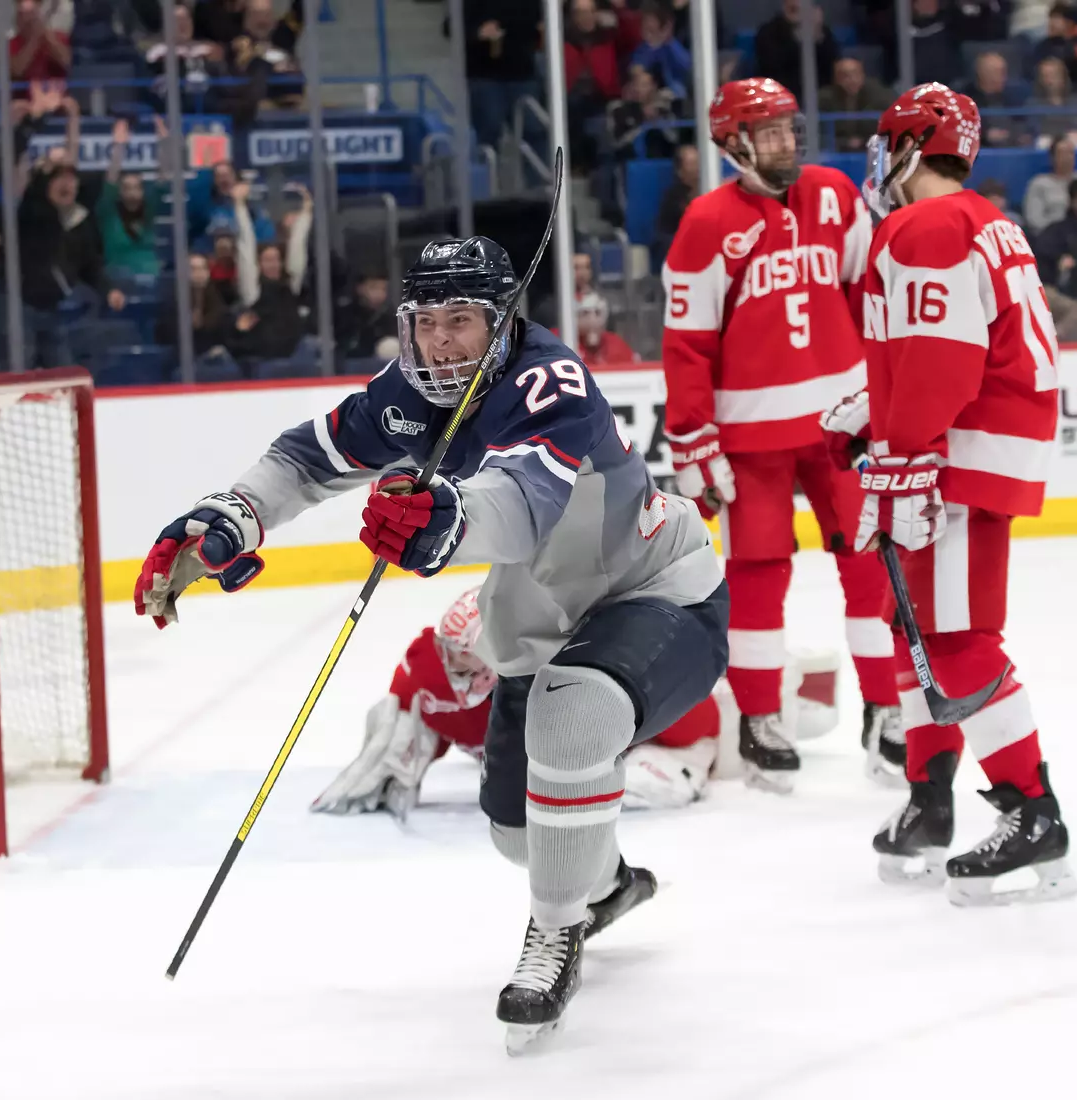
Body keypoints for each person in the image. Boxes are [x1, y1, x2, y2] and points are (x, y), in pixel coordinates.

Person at [134, 236, 728, 1049]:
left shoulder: (549, 381)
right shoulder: (404, 392)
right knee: (518, 834)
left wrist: (445, 516)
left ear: (502, 323)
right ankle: (607, 883)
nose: (443, 343)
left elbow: (521, 501)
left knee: (573, 713)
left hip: (654, 590)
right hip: (542, 623)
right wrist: (227, 519)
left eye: (463, 322)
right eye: (428, 323)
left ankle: (554, 937)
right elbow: (306, 458)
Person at [826, 82, 1077, 907]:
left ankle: (1031, 810)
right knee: (916, 632)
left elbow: (942, 358)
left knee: (959, 636)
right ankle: (930, 802)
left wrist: (906, 449)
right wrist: (879, 410)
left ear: (907, 145)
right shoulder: (978, 219)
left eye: (886, 142)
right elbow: (942, 346)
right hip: (963, 444)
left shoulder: (924, 225)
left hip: (957, 459)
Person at [661, 78, 903, 793]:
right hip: (752, 438)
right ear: (733, 143)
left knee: (869, 565)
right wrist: (692, 439)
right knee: (758, 578)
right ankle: (761, 718)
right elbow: (687, 343)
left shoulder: (833, 194)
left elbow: (870, 291)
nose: (786, 145)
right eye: (768, 134)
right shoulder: (706, 223)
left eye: (789, 130)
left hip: (844, 428)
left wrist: (885, 400)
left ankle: (887, 708)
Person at [311, 585, 845, 818]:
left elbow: (689, 723)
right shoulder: (433, 671)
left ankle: (791, 683)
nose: (458, 674)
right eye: (453, 657)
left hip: (700, 718)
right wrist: (410, 738)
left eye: (472, 663)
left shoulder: (565, 677)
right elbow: (414, 695)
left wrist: (684, 759)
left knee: (669, 768)